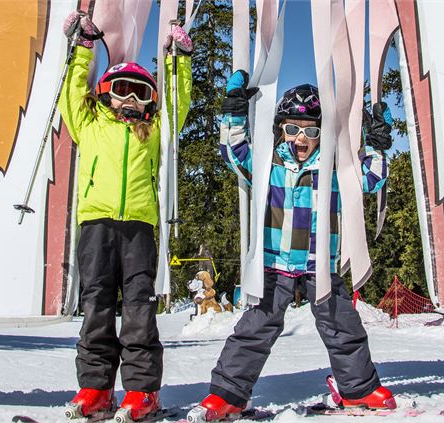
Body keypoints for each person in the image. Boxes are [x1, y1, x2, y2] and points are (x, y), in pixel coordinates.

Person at [187, 71, 395, 422]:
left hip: (321, 265)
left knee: (342, 325)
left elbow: (371, 179)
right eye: (293, 128)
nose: (301, 138)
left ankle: (359, 389)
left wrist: (376, 143)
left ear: (322, 133)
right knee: (255, 328)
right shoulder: (269, 162)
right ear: (281, 128)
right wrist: (234, 112)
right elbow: (234, 152)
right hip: (274, 263)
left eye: (311, 130)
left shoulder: (333, 167)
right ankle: (227, 395)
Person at [57, 11, 192, 421]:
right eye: (122, 89)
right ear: (105, 93)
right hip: (95, 224)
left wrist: (178, 62)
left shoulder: (154, 129)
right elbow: (71, 93)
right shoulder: (91, 123)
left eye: (140, 92)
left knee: (138, 309)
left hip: (138, 228)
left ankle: (141, 392)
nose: (130, 100)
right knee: (96, 305)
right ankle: (95, 389)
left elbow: (177, 104)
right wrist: (82, 48)